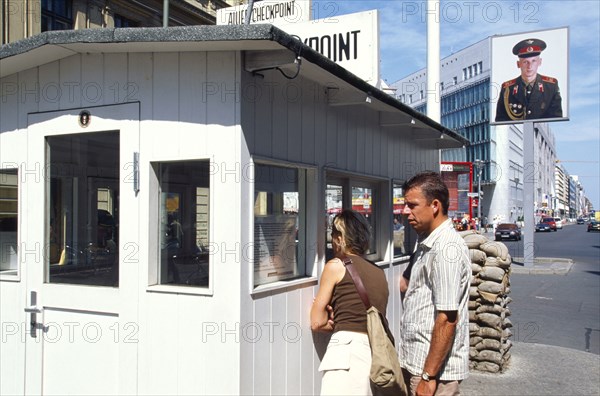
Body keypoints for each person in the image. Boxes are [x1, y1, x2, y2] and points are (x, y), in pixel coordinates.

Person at [398, 171, 471, 396]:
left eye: (412, 205)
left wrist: (428, 377)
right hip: (419, 364)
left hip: (433, 374)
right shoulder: (427, 241)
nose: (404, 211)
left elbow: (447, 318)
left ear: (435, 205)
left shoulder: (446, 249)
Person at [311, 209, 390, 395]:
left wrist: (333, 321)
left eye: (332, 234)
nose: (331, 239)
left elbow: (316, 321)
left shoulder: (336, 266)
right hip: (372, 351)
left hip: (346, 351)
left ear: (340, 237)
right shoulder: (379, 272)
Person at [495, 38, 562, 122]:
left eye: (533, 61)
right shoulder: (507, 88)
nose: (529, 66)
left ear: (540, 62)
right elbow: (500, 120)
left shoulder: (551, 86)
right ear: (518, 64)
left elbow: (556, 118)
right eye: (525, 62)